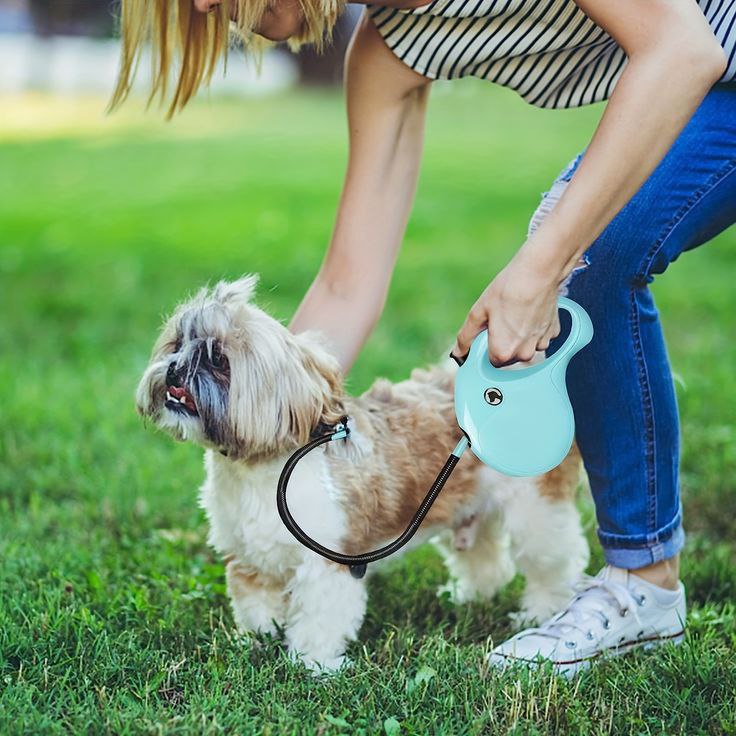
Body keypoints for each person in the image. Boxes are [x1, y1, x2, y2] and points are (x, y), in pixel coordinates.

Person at [112, 0, 736, 675]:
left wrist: (538, 268)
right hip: (701, 74)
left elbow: (685, 49)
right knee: (580, 248)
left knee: (586, 255)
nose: (203, 5)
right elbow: (349, 286)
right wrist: (273, 397)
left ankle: (643, 583)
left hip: (708, 61)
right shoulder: (387, 51)